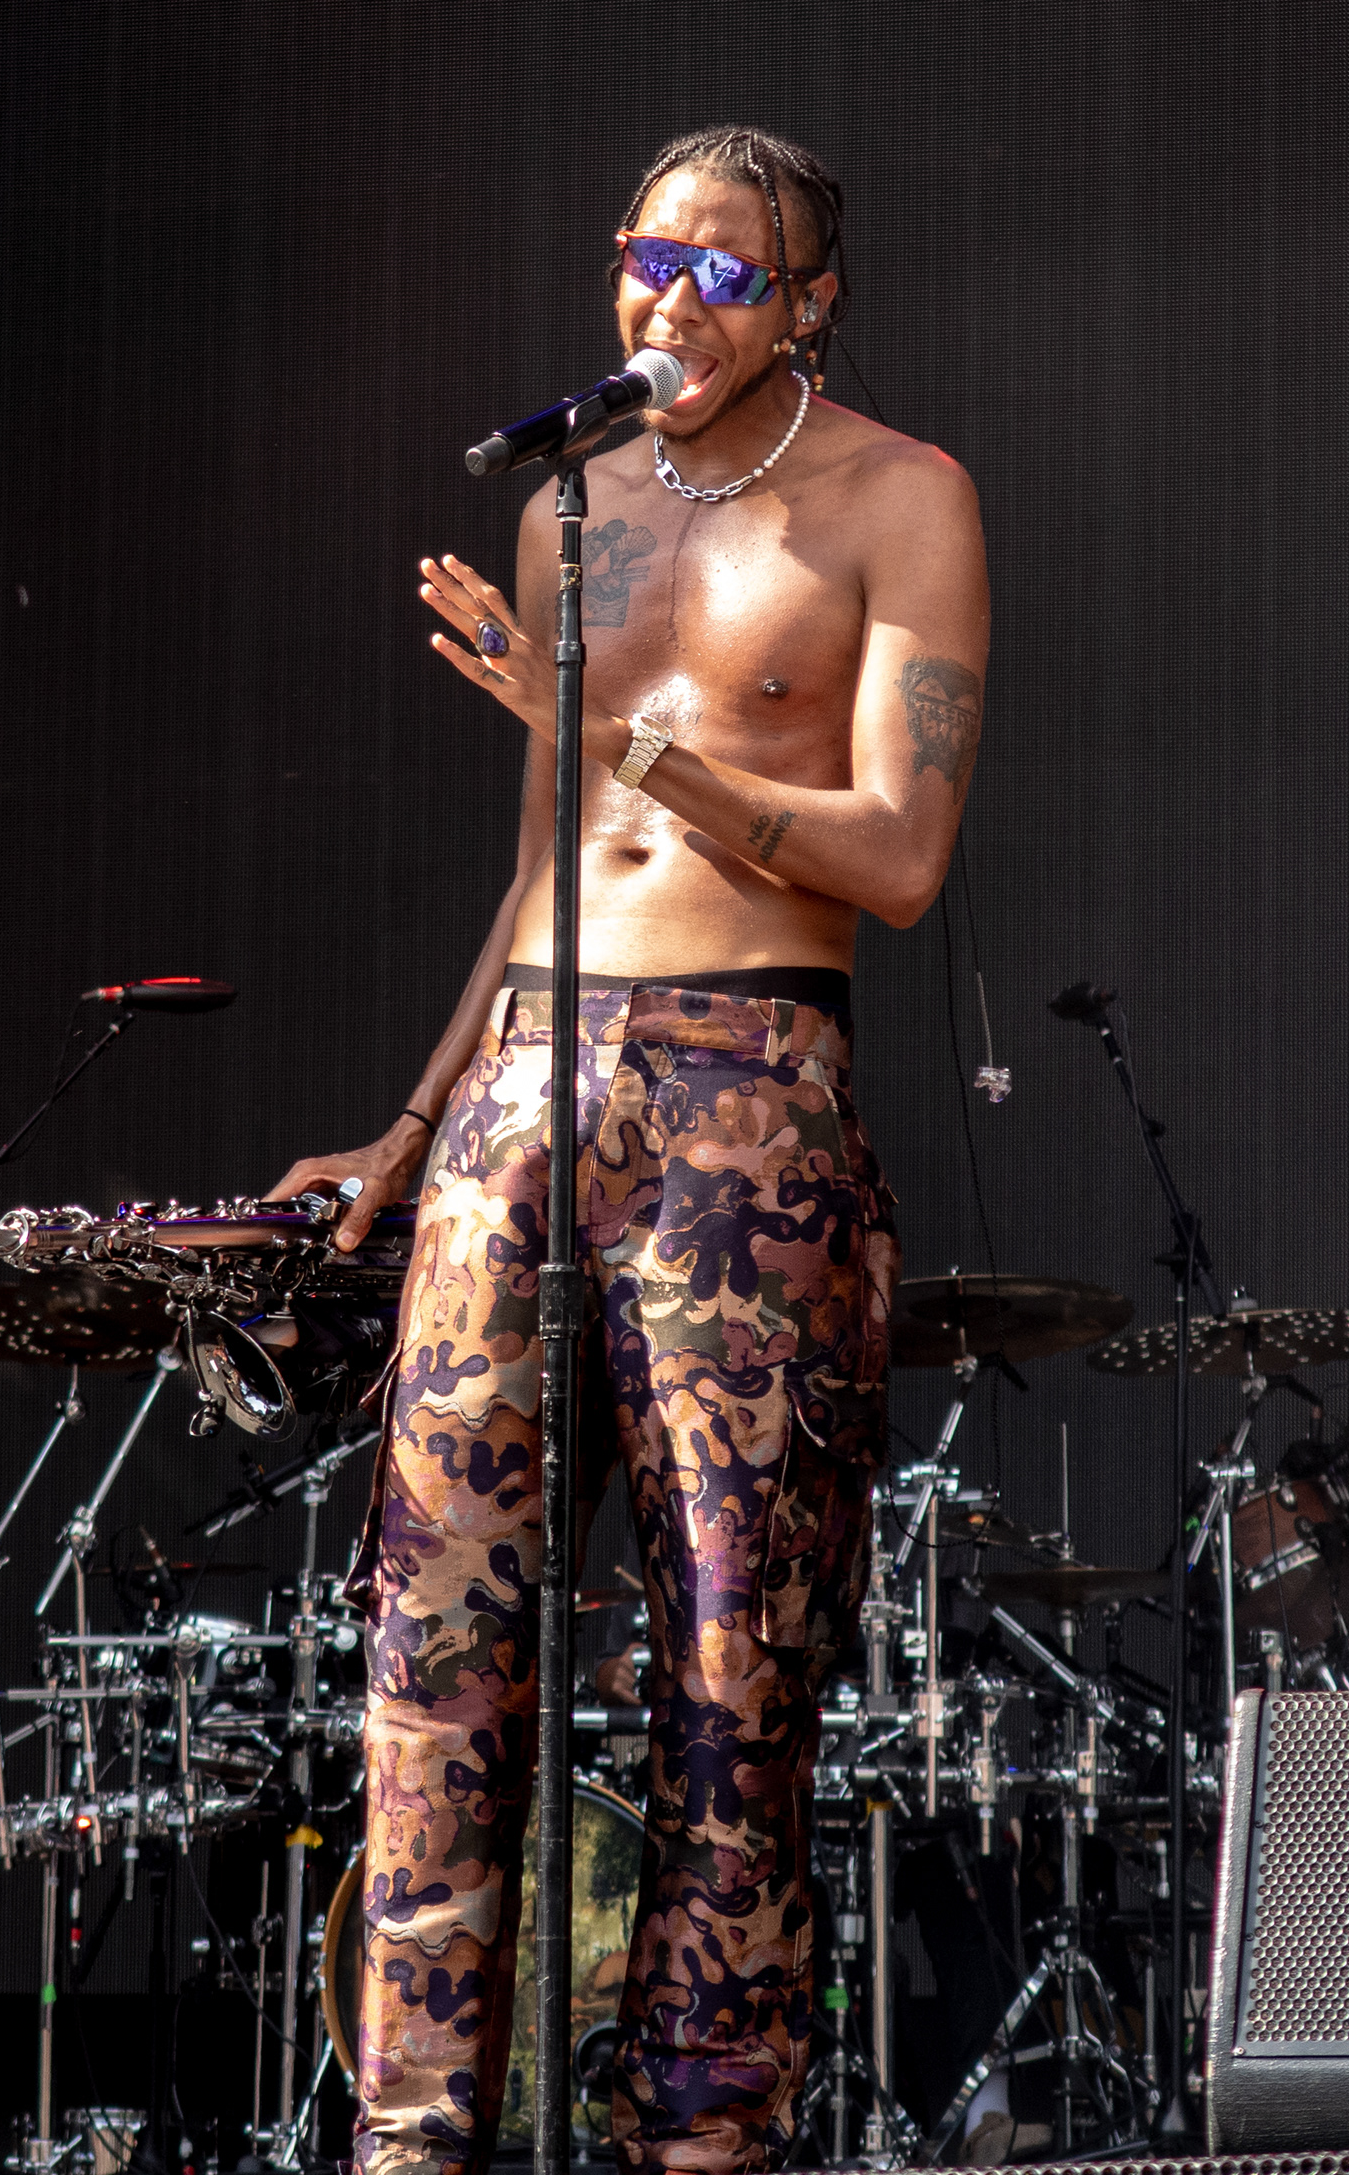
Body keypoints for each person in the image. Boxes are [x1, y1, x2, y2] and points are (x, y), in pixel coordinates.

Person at [269, 124, 990, 2175]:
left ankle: (705, 2136)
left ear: (815, 299)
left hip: (748, 1082)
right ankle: (413, 2131)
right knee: (438, 1636)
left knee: (731, 1642)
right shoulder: (571, 511)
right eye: (643, 261)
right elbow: (543, 873)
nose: (670, 300)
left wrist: (639, 740)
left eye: (726, 272)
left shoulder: (900, 498)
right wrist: (411, 1131)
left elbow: (906, 856)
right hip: (526, 1085)